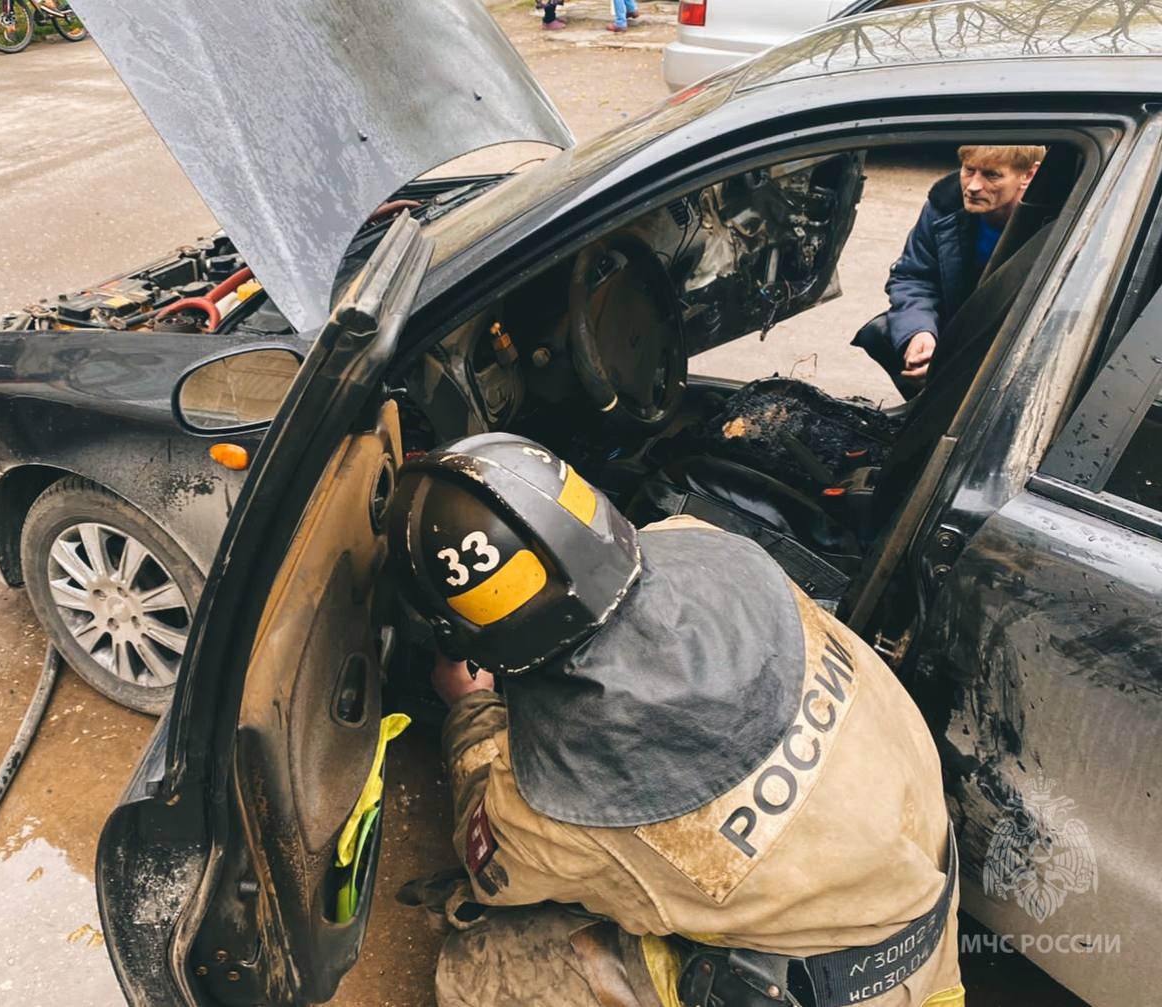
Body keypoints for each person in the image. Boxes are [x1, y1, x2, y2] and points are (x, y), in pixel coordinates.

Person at [389, 433, 964, 1007]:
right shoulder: (707, 545)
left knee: (479, 971)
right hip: (928, 914)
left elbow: (489, 865)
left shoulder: (554, 807)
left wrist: (469, 707)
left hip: (843, 993)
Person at [854, 145, 1044, 396]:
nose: (973, 186)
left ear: (1028, 176)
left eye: (992, 175)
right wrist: (920, 333)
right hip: (960, 321)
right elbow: (914, 276)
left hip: (1015, 337)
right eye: (969, 170)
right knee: (882, 333)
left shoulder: (1053, 221)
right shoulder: (944, 206)